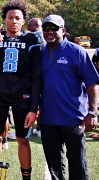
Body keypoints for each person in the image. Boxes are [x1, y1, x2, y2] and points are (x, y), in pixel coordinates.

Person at [0, 0, 42, 179]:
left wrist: (33, 107)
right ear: (4, 19)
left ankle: (26, 176)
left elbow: (37, 77)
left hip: (23, 97)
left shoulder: (32, 39)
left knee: (22, 139)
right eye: (10, 18)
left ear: (23, 21)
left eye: (17, 18)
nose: (14, 21)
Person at [40, 14, 99, 180]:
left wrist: (92, 113)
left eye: (54, 28)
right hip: (48, 119)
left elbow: (92, 84)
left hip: (74, 118)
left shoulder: (77, 51)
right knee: (54, 166)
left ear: (63, 30)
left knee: (77, 164)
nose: (49, 31)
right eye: (46, 28)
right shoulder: (40, 53)